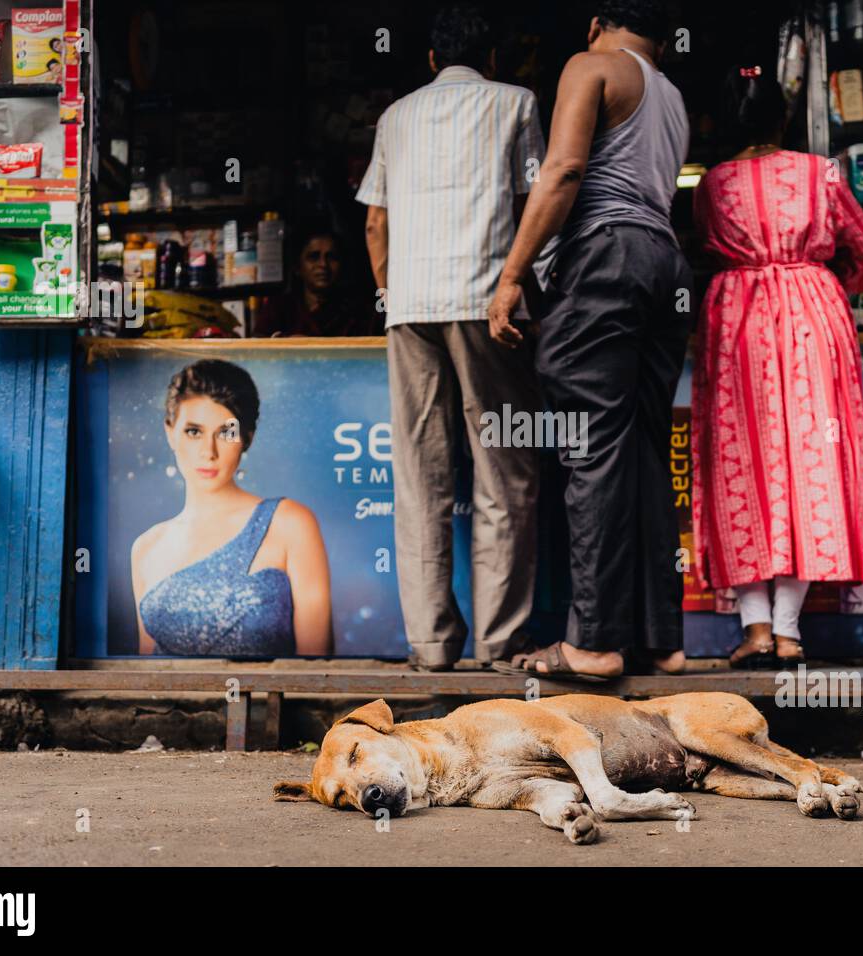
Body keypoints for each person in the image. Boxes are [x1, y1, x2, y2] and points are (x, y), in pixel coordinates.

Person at [487, 1, 691, 681]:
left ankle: (595, 644)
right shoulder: (672, 96)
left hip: (605, 258)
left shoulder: (593, 65)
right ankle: (662, 639)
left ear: (597, 19)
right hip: (664, 263)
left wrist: (512, 275)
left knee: (591, 449)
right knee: (640, 449)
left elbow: (563, 172)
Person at [356, 5, 545, 671]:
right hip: (487, 302)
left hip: (410, 307)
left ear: (433, 60)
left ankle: (431, 644)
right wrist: (531, 284)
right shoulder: (517, 103)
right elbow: (535, 204)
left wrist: (390, 292)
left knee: (420, 479)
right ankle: (501, 642)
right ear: (493, 58)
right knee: (504, 473)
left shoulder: (396, 116)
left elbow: (375, 223)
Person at [691, 69, 863, 668]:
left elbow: (701, 246)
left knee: (738, 464)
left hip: (735, 320)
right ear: (782, 119)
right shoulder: (820, 171)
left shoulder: (710, 184)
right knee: (810, 465)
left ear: (721, 122)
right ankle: (790, 630)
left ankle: (755, 631)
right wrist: (833, 290)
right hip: (811, 317)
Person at [132, 360, 334, 657]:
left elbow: (319, 675)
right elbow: (144, 679)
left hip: (271, 704)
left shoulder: (289, 524)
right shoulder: (146, 548)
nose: (208, 452)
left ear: (247, 438)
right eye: (193, 431)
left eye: (226, 433)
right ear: (169, 432)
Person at [253, 226, 383, 337]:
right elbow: (258, 349)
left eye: (331, 257)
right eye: (313, 257)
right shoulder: (280, 308)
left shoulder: (359, 311)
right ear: (298, 267)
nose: (323, 265)